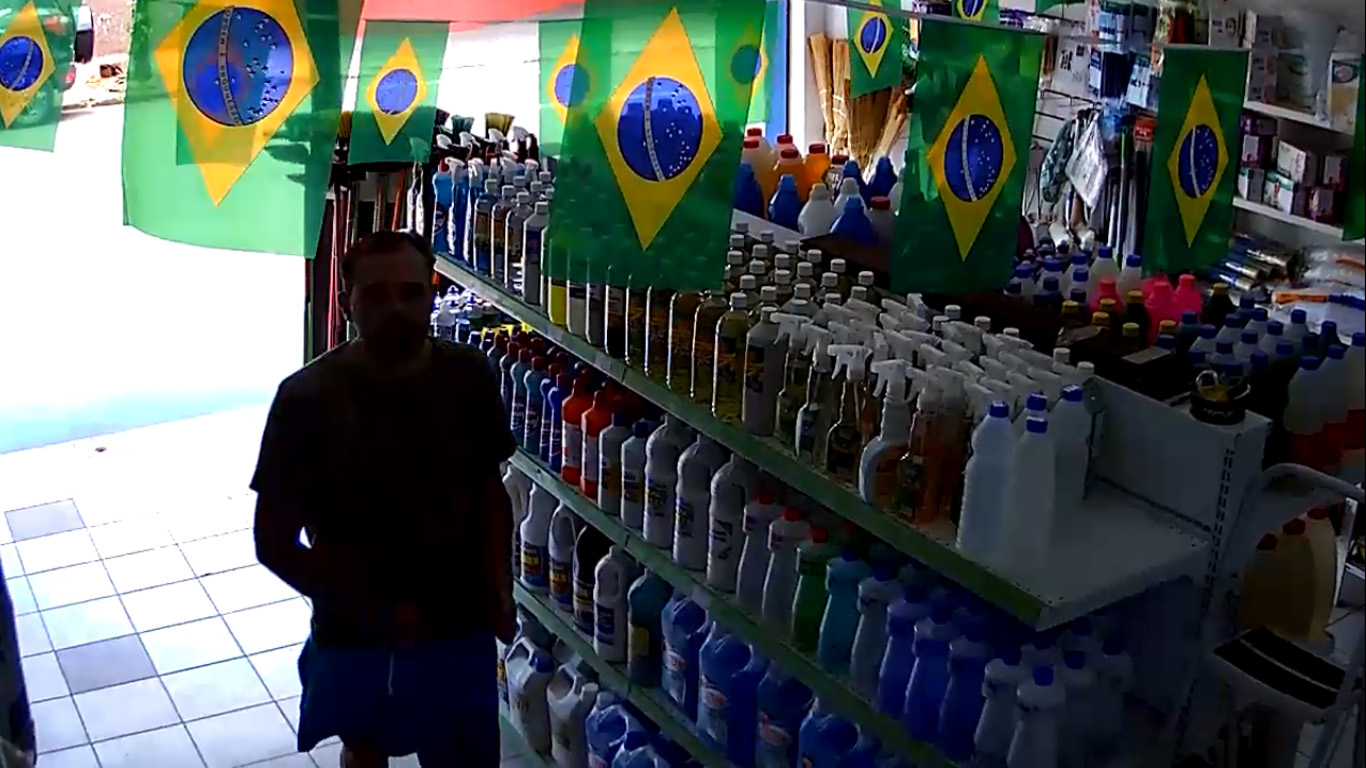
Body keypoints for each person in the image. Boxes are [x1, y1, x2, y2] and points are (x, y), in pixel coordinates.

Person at [251, 230, 516, 767]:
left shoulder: (468, 376)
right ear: (347, 302)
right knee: (364, 749)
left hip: (457, 618)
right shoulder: (305, 399)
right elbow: (272, 542)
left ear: (432, 294)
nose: (395, 309)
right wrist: (362, 604)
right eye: (376, 295)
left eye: (410, 293)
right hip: (356, 632)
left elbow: (490, 493)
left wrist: (499, 586)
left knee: (464, 753)